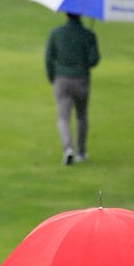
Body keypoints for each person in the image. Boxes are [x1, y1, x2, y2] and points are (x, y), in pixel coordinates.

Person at [45, 13, 99, 166]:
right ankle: (81, 152)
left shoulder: (56, 33)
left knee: (63, 117)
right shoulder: (88, 35)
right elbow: (94, 59)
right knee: (81, 117)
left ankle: (68, 149)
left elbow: (49, 58)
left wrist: (52, 77)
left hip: (62, 79)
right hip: (81, 79)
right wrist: (84, 64)